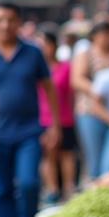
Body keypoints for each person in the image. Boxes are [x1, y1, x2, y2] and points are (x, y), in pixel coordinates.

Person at [0, 0, 61, 217]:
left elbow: (48, 88)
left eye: (10, 20)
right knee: (1, 188)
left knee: (28, 182)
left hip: (29, 130)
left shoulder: (32, 52)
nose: (5, 25)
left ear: (19, 23)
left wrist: (54, 125)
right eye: (0, 20)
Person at [71, 19, 109, 179]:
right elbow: (77, 79)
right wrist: (96, 90)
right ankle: (97, 186)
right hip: (90, 111)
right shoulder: (86, 54)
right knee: (95, 157)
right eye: (102, 34)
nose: (106, 38)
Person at [38, 27, 77, 202]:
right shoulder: (36, 69)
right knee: (48, 156)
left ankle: (69, 189)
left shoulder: (66, 67)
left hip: (64, 117)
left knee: (66, 154)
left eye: (45, 44)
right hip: (42, 119)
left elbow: (72, 93)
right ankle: (52, 190)